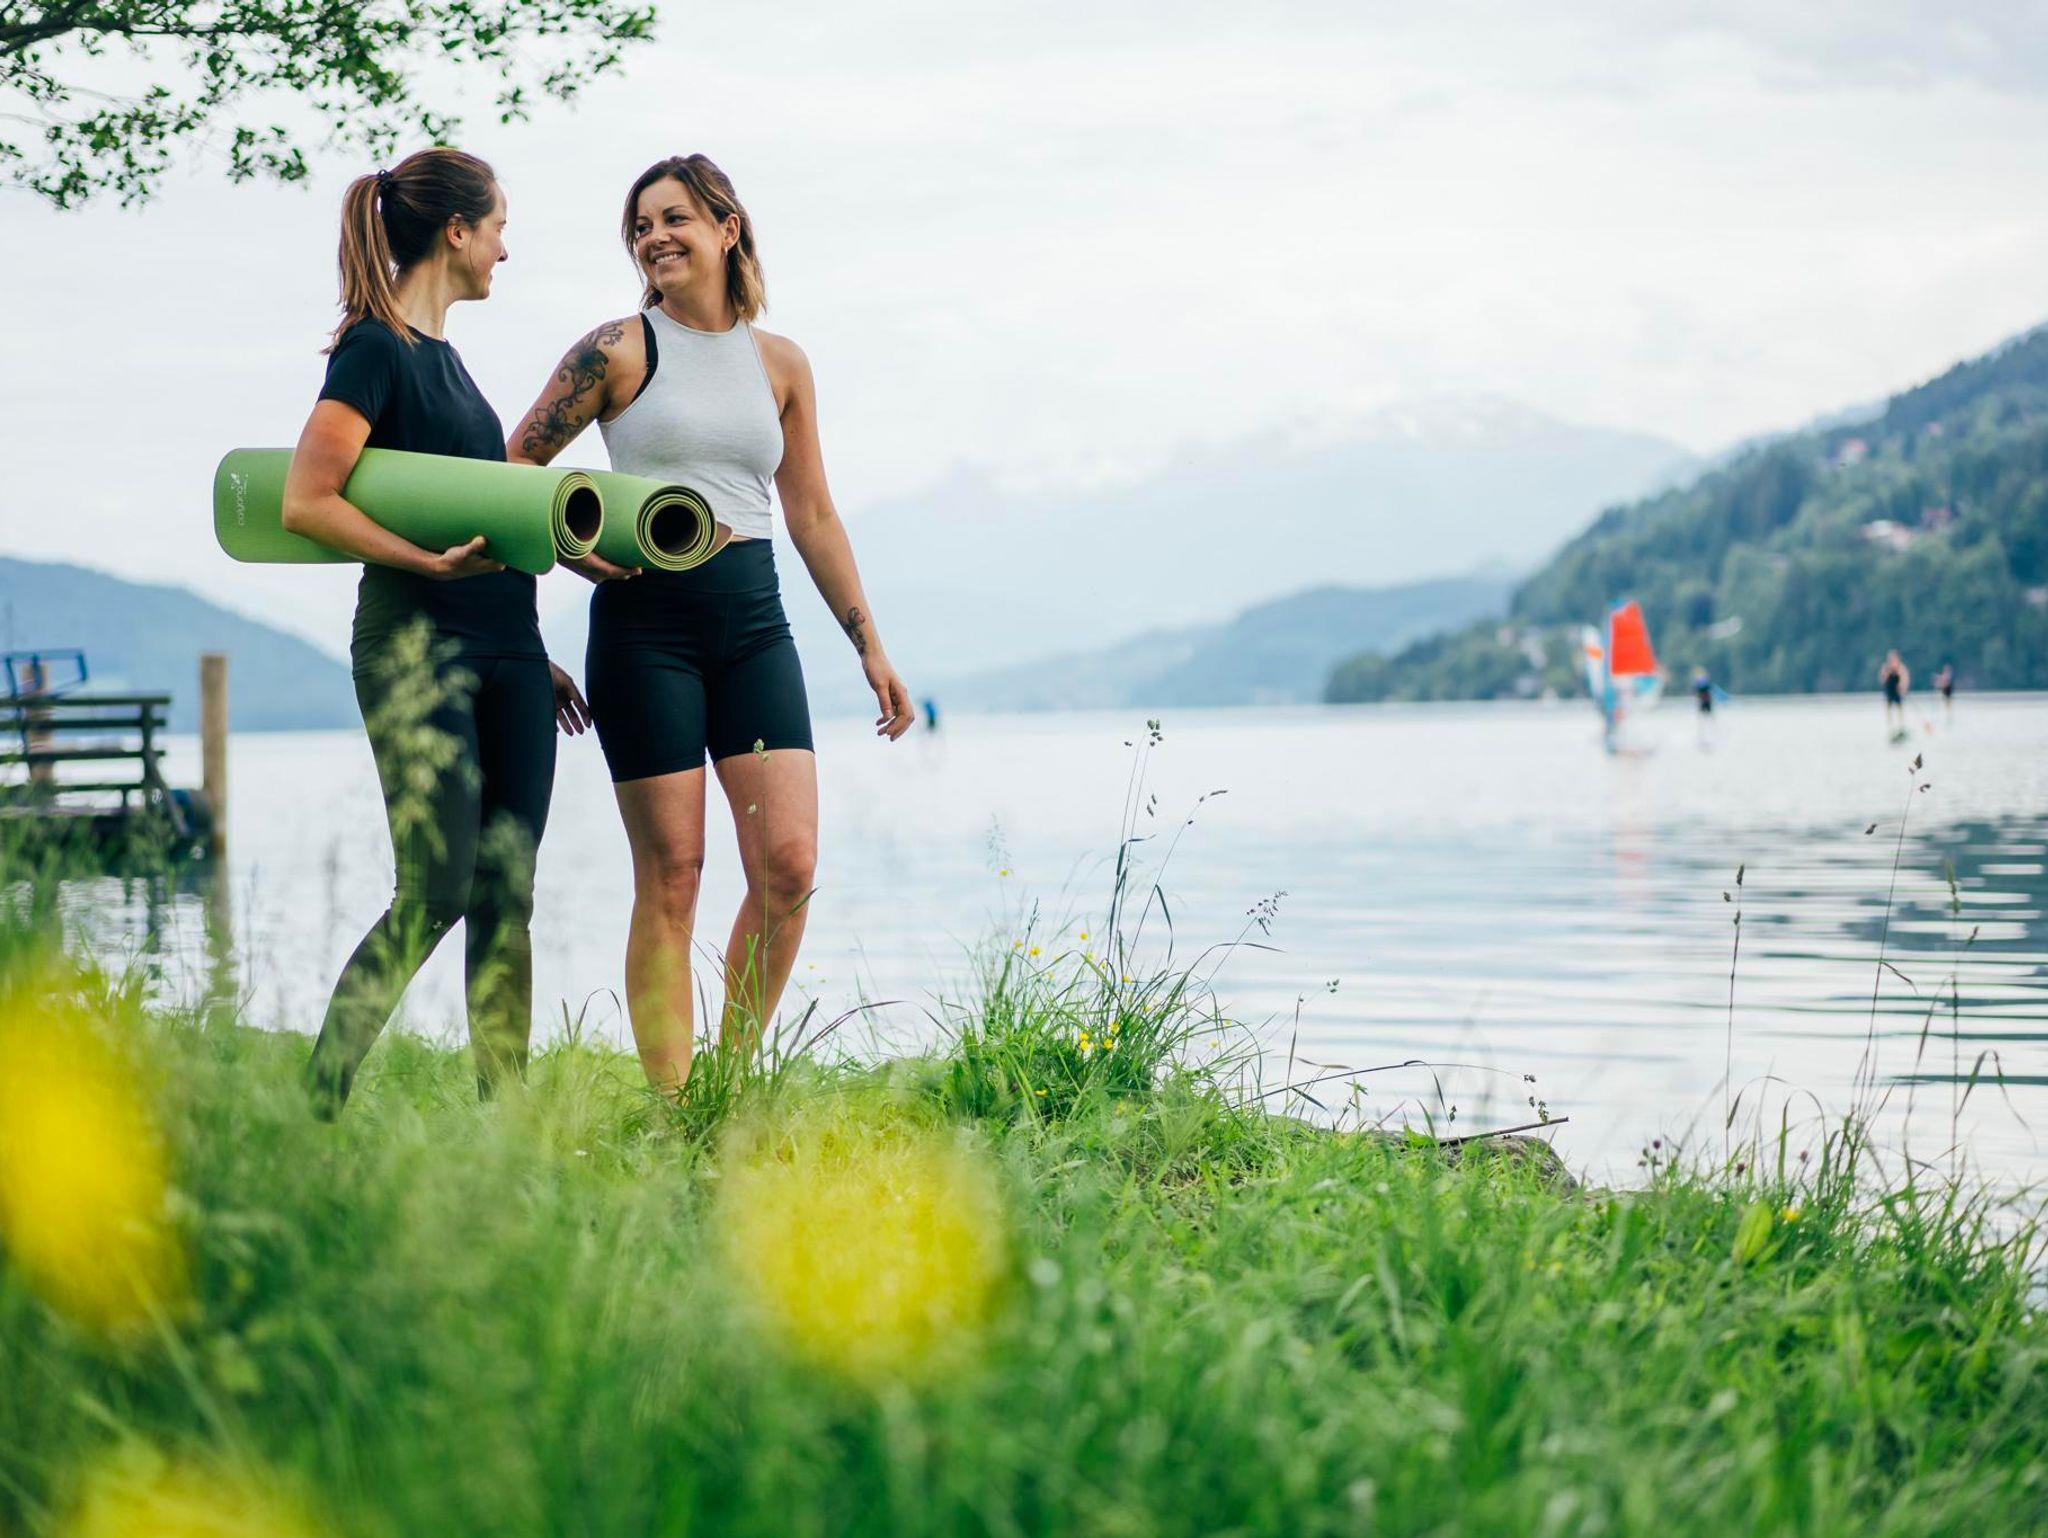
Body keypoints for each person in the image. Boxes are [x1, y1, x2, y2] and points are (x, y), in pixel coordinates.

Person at [507, 153, 912, 1096]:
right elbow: (513, 471)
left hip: (754, 623)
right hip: (644, 630)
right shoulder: (615, 350)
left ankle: (729, 1081)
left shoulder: (781, 363)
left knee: (789, 866)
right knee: (674, 874)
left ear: (728, 228)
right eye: (641, 226)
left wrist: (870, 645)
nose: (655, 237)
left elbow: (812, 514)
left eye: (675, 218)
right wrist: (567, 554)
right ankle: (672, 1106)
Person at [282, 148, 591, 1116]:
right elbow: (306, 499)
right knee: (437, 887)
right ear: (457, 231)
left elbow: (477, 521)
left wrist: (530, 653)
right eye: (498, 228)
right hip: (416, 648)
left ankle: (505, 1123)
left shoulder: (449, 360)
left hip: (509, 653)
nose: (505, 248)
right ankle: (318, 1100)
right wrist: (422, 564)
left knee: (506, 891)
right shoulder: (374, 350)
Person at [1879, 648, 1910, 736]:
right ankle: (1891, 729)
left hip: (1897, 692)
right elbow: (1882, 680)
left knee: (1900, 709)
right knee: (1889, 710)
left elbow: (1905, 679)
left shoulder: (1901, 667)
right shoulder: (1886, 667)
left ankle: (1901, 728)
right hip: (1889, 691)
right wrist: (1888, 672)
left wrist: (1903, 688)